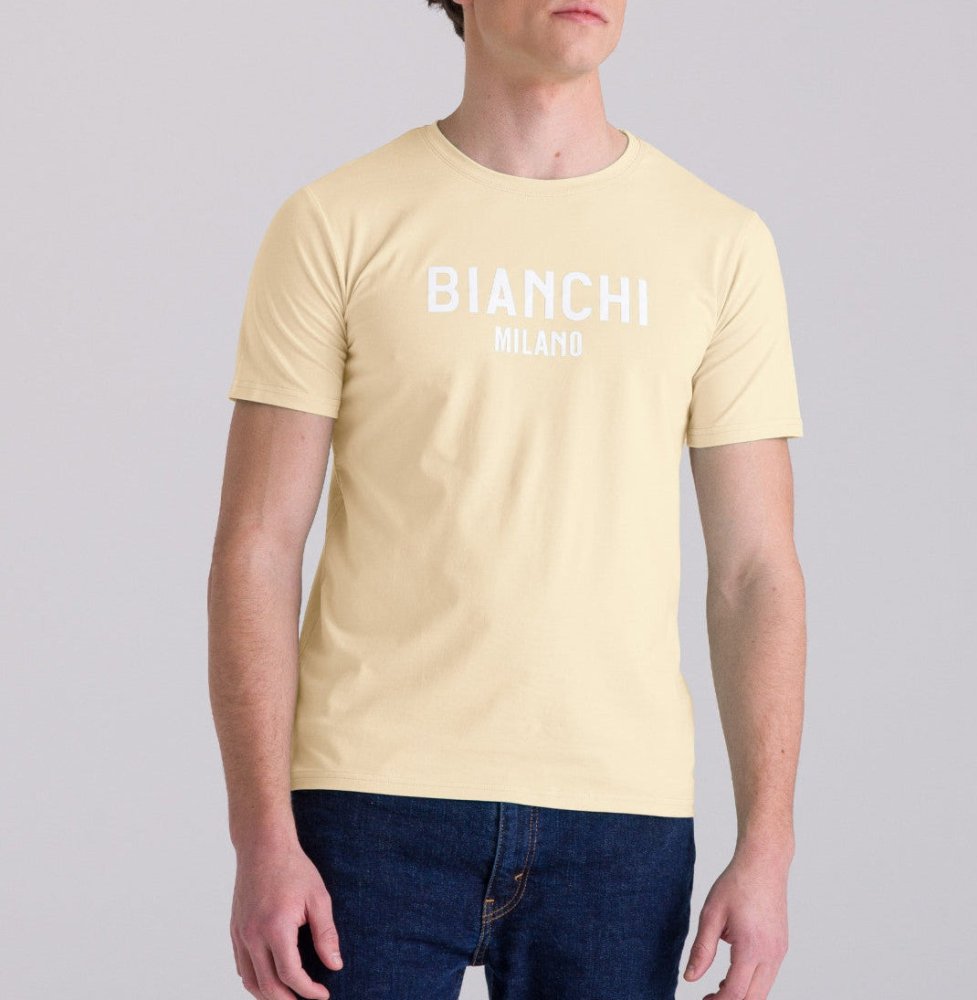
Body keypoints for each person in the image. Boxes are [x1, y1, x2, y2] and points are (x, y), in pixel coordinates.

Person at [207, 1, 806, 998]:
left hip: (621, 819)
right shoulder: (337, 221)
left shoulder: (717, 242)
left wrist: (768, 845)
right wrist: (260, 834)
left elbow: (755, 570)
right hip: (369, 805)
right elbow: (258, 545)